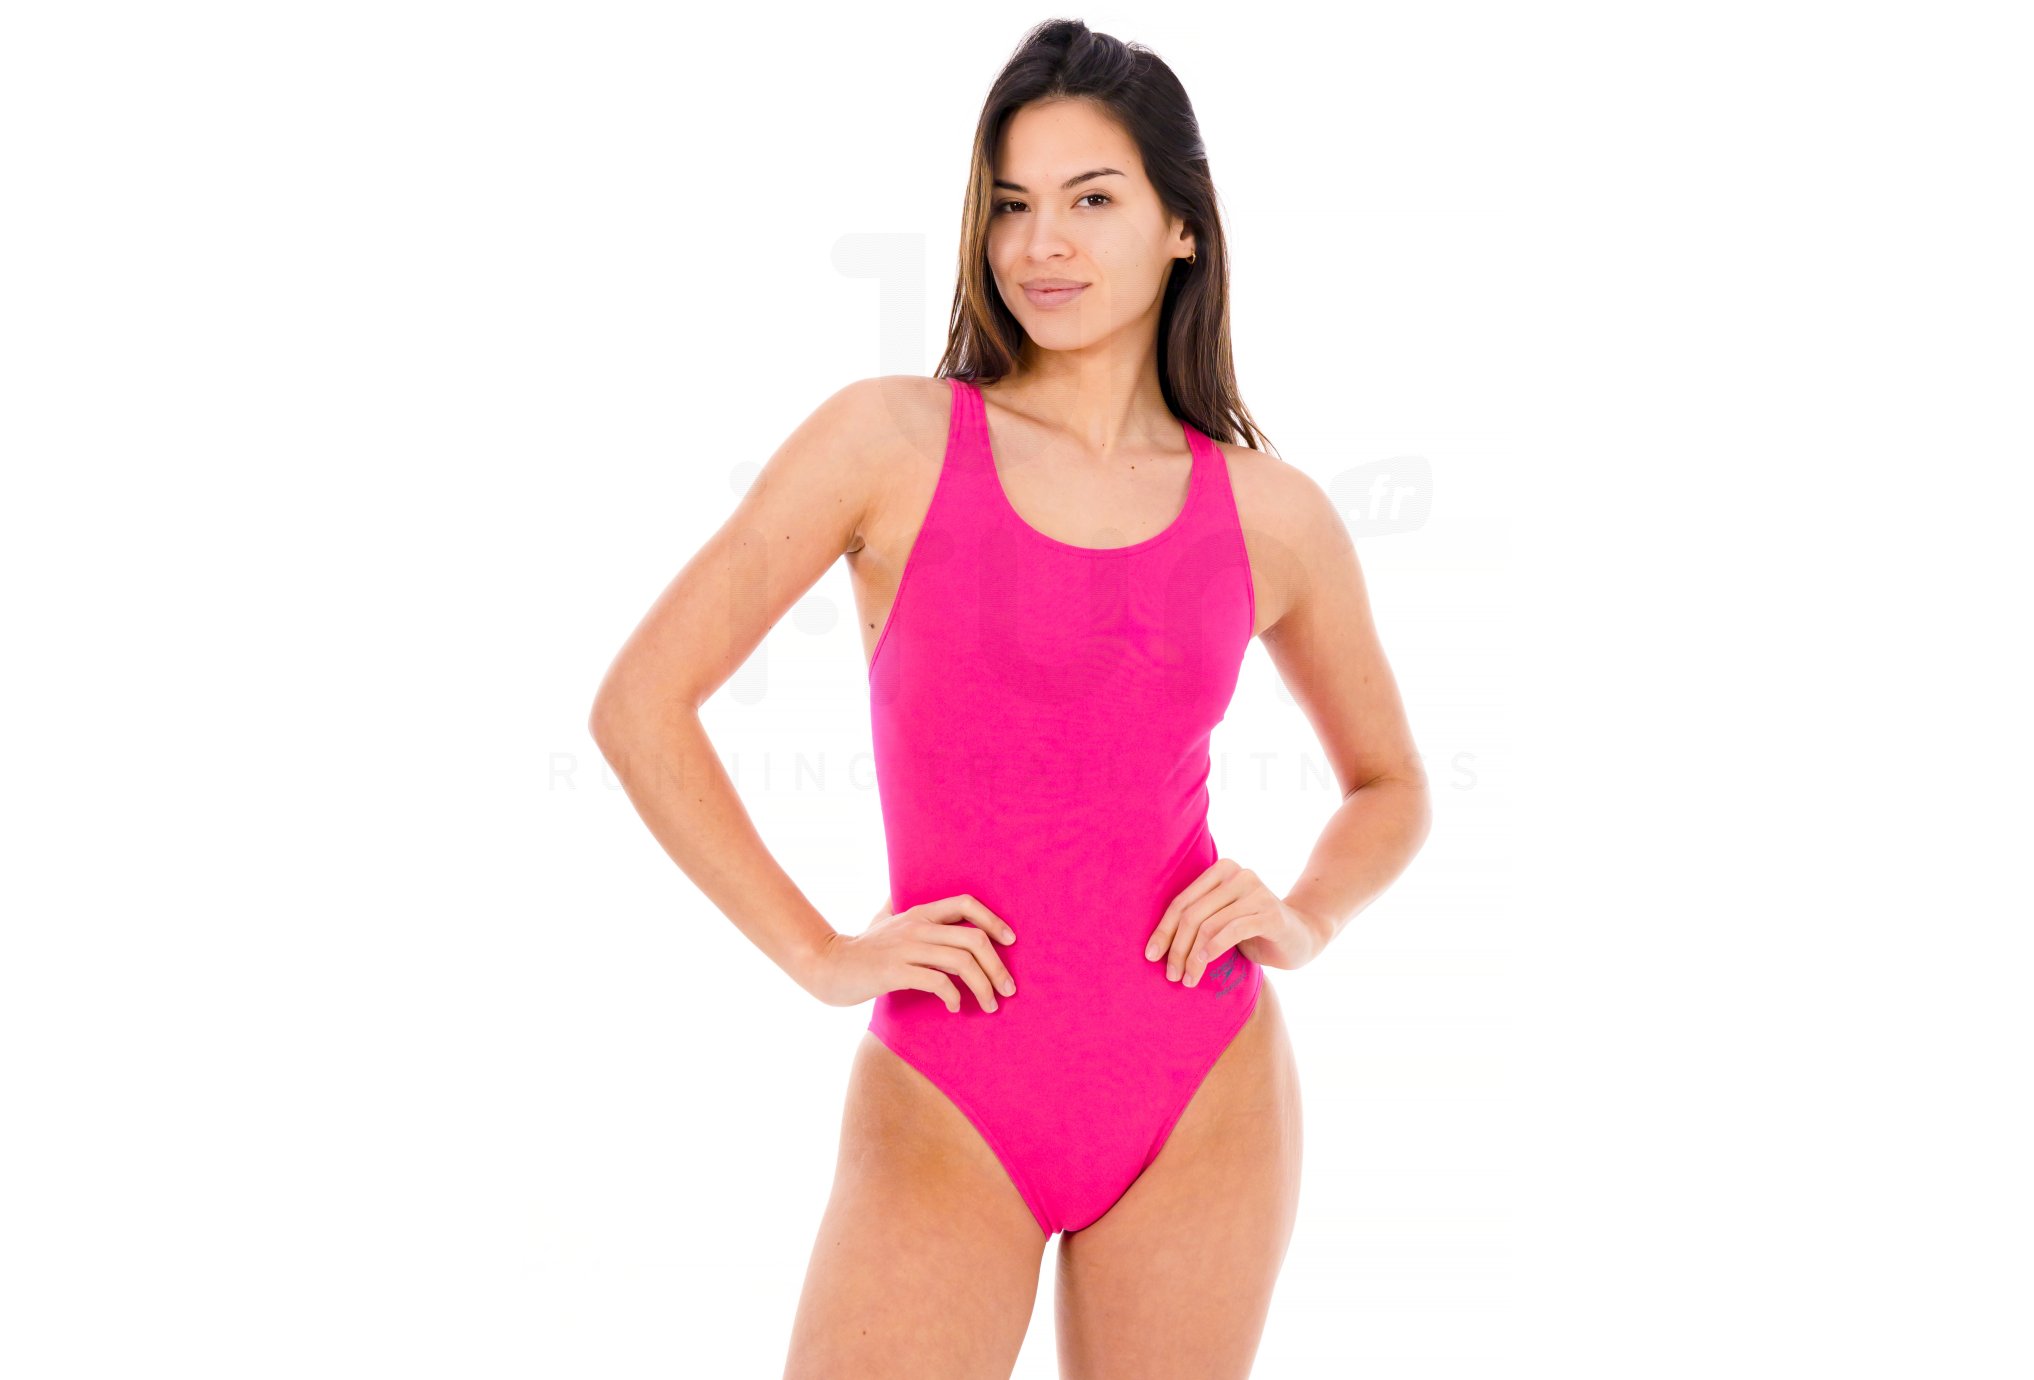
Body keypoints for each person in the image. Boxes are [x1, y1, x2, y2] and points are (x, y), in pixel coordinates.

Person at [589, 19, 1431, 1379]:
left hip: (1200, 1083)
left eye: (1091, 200)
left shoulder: (1273, 515)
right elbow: (640, 702)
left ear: (1181, 226)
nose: (1042, 244)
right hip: (947, 1086)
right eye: (1011, 204)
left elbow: (1390, 784)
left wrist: (1306, 914)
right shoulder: (888, 441)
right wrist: (817, 953)